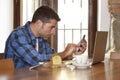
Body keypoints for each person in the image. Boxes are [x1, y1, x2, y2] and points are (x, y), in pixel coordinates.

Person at [4, 6, 87, 68]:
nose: (53, 32)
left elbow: (52, 59)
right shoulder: (18, 35)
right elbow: (37, 60)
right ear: (39, 23)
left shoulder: (40, 37)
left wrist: (73, 53)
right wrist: (65, 52)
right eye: (51, 27)